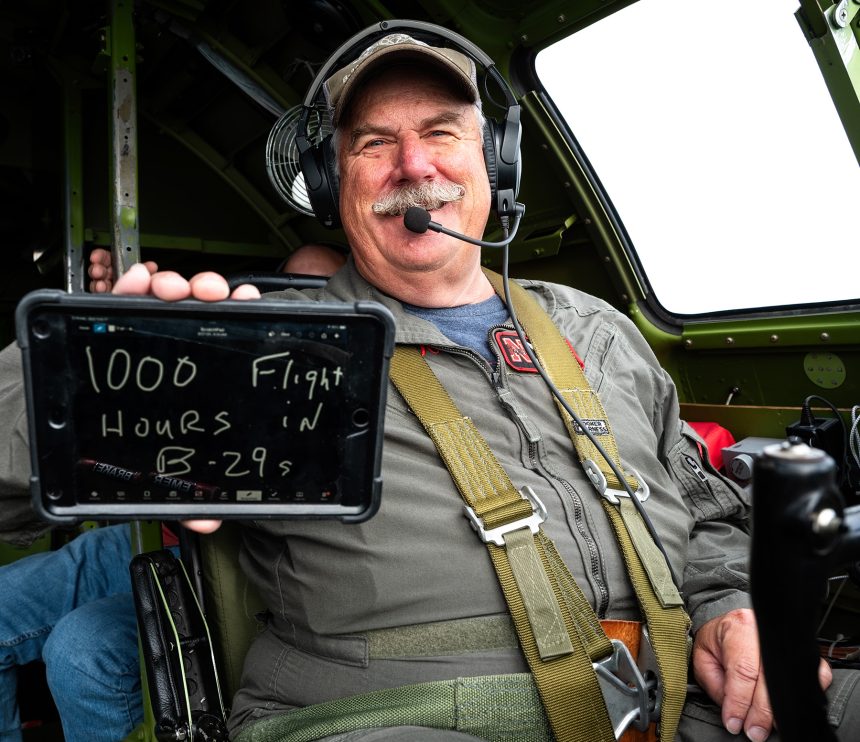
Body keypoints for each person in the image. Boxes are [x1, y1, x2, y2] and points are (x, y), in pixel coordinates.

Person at [1, 28, 858, 742]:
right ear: (335, 186)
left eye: (443, 131)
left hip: (679, 699)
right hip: (393, 717)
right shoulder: (271, 349)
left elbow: (702, 503)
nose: (415, 164)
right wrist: (80, 376)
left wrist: (728, 601)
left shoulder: (598, 329)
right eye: (374, 143)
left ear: (495, 163)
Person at [0, 243, 344, 742]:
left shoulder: (341, 408)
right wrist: (107, 355)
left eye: (321, 297)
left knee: (82, 649)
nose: (302, 306)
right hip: (150, 537)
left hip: (236, 563)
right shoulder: (225, 362)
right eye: (289, 292)